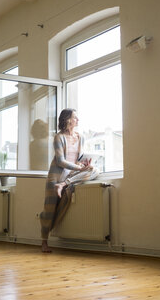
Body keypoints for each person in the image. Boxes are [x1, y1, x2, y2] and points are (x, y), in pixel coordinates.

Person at [39, 108, 99, 252]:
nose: (78, 120)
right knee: (49, 210)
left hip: (70, 175)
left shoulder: (80, 137)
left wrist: (85, 164)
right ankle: (44, 243)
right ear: (67, 120)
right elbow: (60, 161)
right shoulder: (58, 137)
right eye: (75, 118)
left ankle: (64, 184)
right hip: (56, 175)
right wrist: (79, 169)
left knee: (96, 170)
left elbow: (78, 158)